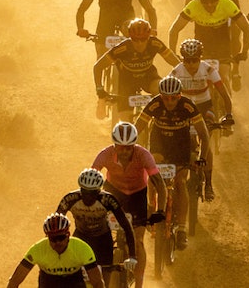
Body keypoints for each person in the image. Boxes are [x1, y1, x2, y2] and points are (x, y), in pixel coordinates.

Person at [134, 75, 210, 245]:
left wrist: (202, 158)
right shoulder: (154, 104)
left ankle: (182, 228)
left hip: (181, 144)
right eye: (165, 98)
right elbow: (137, 128)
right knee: (153, 173)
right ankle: (151, 206)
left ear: (179, 95)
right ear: (160, 96)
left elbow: (204, 135)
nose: (169, 102)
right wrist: (129, 147)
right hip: (159, 142)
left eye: (173, 98)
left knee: (180, 182)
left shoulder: (188, 106)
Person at [91, 122, 168, 288]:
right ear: (114, 145)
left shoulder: (143, 155)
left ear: (134, 145)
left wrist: (160, 210)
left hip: (137, 195)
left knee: (138, 241)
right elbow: (90, 180)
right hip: (113, 193)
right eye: (121, 147)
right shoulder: (104, 154)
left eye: (129, 148)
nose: (125, 151)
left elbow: (160, 185)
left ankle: (139, 284)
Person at [169, 38, 232, 199]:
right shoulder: (176, 72)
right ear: (182, 59)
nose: (191, 64)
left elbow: (224, 94)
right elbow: (165, 93)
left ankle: (209, 184)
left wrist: (229, 115)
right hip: (184, 109)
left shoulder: (209, 70)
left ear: (200, 58)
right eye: (187, 60)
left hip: (205, 108)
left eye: (194, 60)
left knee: (206, 143)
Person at [167, 0, 249, 96]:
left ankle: (228, 106)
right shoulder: (193, 6)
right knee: (196, 81)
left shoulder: (227, 3)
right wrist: (173, 53)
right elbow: (174, 30)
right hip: (202, 47)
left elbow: (247, 28)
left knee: (223, 77)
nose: (209, 5)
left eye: (213, 1)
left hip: (222, 45)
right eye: (205, 2)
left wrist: (245, 51)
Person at [55, 169, 137, 283]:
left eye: (92, 193)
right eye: (84, 192)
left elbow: (126, 226)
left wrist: (132, 256)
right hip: (81, 238)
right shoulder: (70, 199)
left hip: (102, 241)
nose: (88, 197)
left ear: (99, 192)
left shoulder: (108, 200)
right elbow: (55, 225)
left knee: (104, 280)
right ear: (80, 190)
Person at [94, 18, 181, 122]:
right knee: (125, 119)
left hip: (149, 77)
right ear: (130, 37)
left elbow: (175, 62)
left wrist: (183, 77)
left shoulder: (155, 43)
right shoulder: (122, 48)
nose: (139, 43)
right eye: (135, 40)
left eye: (143, 39)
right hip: (127, 81)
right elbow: (98, 67)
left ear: (148, 37)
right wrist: (100, 90)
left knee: (163, 92)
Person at [6, 213, 106, 288]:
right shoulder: (37, 249)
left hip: (74, 281)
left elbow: (97, 282)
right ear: (47, 237)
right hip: (48, 282)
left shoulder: (82, 248)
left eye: (61, 237)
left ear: (68, 235)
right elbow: (14, 281)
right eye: (53, 239)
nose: (57, 242)